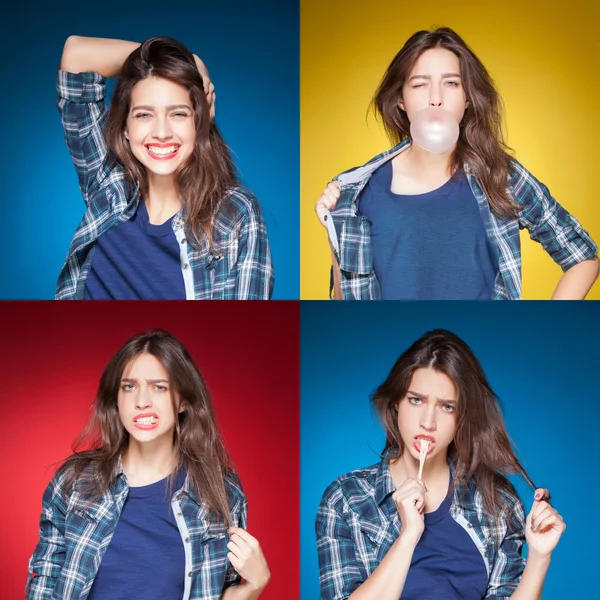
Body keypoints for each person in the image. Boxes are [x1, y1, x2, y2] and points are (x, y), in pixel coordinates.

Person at [314, 27, 598, 300]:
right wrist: (334, 229)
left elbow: (582, 258)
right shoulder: (355, 190)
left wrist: (543, 323)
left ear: (467, 98)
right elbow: (347, 301)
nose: (436, 99)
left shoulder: (500, 175)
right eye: (419, 84)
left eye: (451, 83)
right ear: (400, 99)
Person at [316, 329, 565, 599]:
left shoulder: (498, 504)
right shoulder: (347, 499)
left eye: (447, 407)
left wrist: (540, 557)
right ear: (397, 402)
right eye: (416, 400)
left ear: (463, 416)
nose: (428, 422)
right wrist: (408, 536)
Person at [26, 329, 270, 600]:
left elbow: (216, 592)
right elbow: (45, 580)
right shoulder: (74, 482)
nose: (141, 402)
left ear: (183, 401)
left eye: (159, 387)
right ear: (116, 399)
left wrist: (255, 586)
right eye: (129, 387)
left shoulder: (222, 491)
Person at [57, 35, 274, 300]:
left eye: (178, 114)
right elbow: (76, 54)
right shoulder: (108, 182)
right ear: (125, 126)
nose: (161, 132)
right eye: (144, 114)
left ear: (199, 120)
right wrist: (192, 61)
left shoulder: (234, 212)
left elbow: (242, 323)